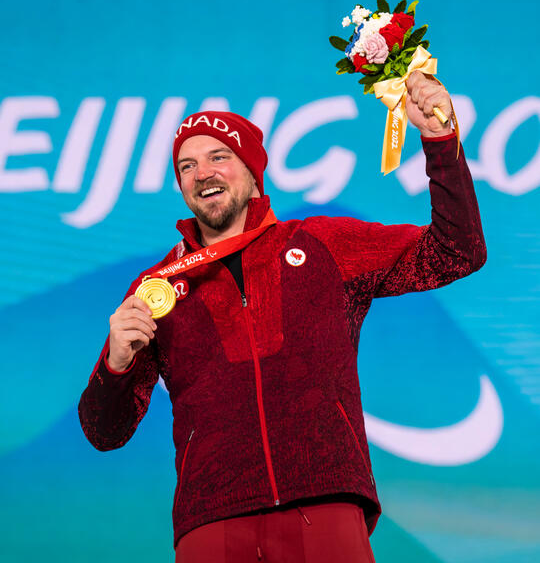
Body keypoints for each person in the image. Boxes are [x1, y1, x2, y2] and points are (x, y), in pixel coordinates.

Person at [79, 71, 487, 562]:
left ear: (253, 172)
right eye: (187, 165)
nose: (202, 173)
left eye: (219, 157)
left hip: (325, 502)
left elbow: (456, 252)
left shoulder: (324, 245)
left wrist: (440, 140)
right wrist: (116, 364)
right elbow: (105, 432)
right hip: (212, 518)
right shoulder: (158, 288)